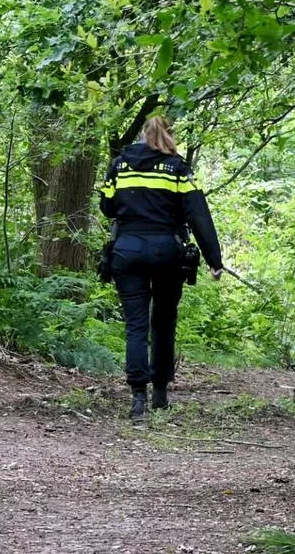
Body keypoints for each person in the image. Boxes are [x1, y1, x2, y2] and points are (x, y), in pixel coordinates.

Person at [99, 117, 223, 418]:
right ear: (169, 135)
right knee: (164, 322)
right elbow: (198, 215)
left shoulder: (120, 164)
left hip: (127, 250)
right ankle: (160, 394)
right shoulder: (178, 167)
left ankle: (137, 397)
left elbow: (106, 207)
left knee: (136, 325)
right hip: (166, 251)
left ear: (143, 134)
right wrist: (214, 260)